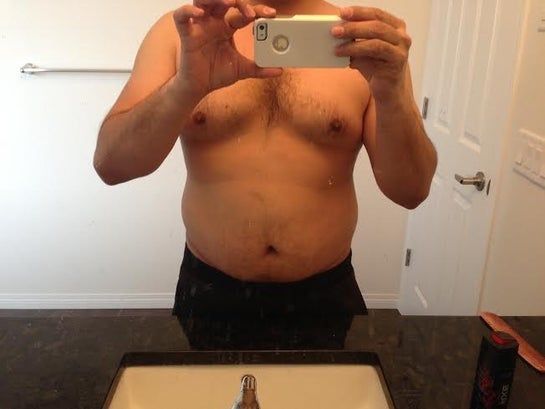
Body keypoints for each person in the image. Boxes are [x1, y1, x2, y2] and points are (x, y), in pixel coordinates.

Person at [93, 0, 437, 322]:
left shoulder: (364, 43)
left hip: (325, 294)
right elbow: (111, 165)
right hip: (209, 290)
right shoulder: (181, 33)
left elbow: (411, 190)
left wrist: (392, 94)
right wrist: (184, 88)